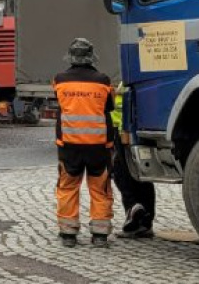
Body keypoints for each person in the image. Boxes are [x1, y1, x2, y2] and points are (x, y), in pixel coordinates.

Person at [53, 38, 115, 248]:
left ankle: (68, 233)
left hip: (69, 145)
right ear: (91, 56)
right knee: (100, 189)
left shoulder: (59, 80)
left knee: (68, 187)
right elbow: (109, 109)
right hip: (98, 145)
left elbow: (60, 105)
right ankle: (99, 234)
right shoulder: (103, 81)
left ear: (71, 56)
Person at [111, 81, 156, 238]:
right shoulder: (135, 78)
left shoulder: (130, 78)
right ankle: (144, 221)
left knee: (122, 172)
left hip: (126, 131)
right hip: (134, 128)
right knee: (142, 175)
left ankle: (134, 210)